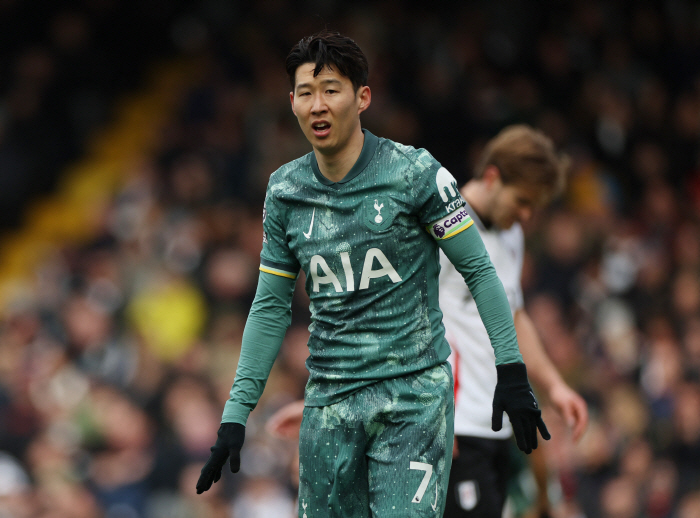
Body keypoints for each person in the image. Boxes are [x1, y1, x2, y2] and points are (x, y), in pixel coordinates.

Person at [195, 31, 548, 517]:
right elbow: (270, 306)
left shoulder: (417, 174)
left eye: (331, 90)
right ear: (292, 103)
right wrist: (236, 414)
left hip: (413, 399)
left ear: (363, 97)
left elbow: (480, 271)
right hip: (331, 405)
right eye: (305, 93)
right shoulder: (284, 192)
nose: (318, 105)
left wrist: (512, 371)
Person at [441, 125, 588, 518]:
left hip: (497, 426)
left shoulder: (511, 235)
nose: (525, 215)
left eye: (533, 208)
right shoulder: (439, 226)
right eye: (522, 201)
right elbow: (401, 317)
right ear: (492, 176)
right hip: (451, 429)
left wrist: (555, 386)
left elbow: (515, 318)